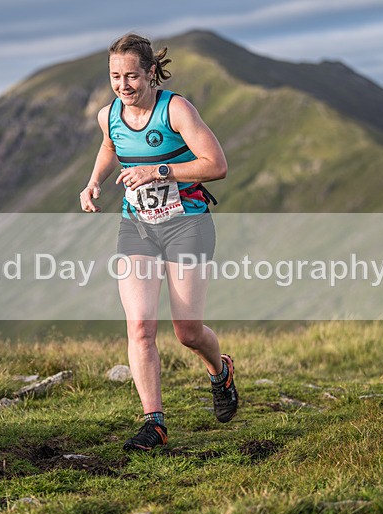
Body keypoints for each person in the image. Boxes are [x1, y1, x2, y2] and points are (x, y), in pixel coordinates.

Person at [79, 33, 238, 451]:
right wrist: (93, 182)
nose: (123, 86)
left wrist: (159, 172)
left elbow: (216, 165)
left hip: (188, 224)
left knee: (186, 331)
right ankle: (155, 423)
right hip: (138, 227)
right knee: (140, 326)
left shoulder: (176, 109)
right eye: (115, 77)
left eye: (132, 76)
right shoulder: (108, 114)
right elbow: (110, 145)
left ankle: (220, 371)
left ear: (151, 73)